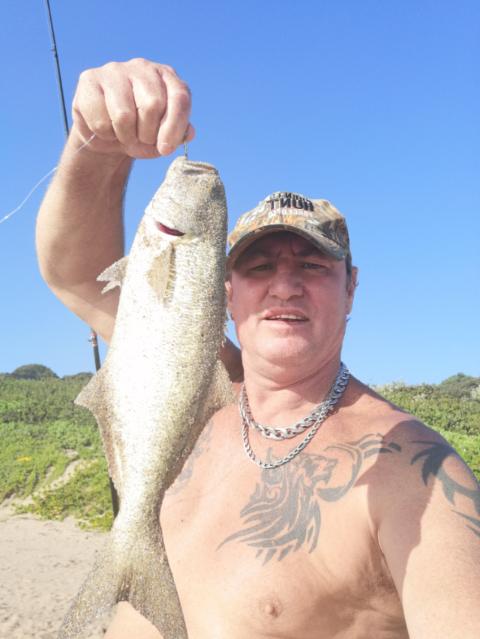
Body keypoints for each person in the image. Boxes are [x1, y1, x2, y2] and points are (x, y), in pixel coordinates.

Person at [36, 58, 480, 639]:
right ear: (225, 292)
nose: (284, 285)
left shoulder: (413, 470)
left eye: (313, 265)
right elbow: (74, 274)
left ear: (351, 288)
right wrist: (96, 145)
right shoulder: (189, 378)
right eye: (259, 266)